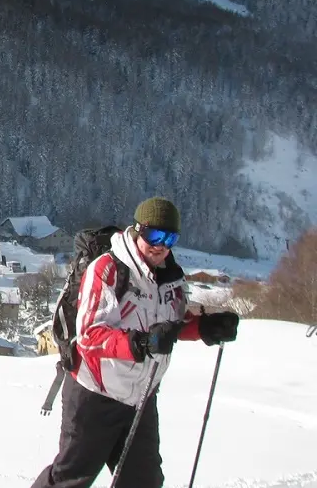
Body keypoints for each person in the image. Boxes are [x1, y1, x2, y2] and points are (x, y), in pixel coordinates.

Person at [30, 197, 240, 488]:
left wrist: (205, 328)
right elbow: (91, 335)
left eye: (170, 238)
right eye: (155, 236)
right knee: (70, 480)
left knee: (144, 482)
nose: (161, 246)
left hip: (141, 396)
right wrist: (141, 343)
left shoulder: (172, 279)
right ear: (138, 230)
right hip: (95, 393)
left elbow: (171, 328)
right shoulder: (108, 270)